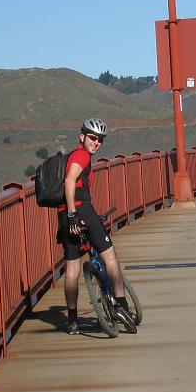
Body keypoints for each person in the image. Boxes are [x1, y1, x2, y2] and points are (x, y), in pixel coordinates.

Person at [58, 118, 134, 334]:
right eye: (92, 137)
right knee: (110, 257)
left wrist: (69, 216)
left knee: (72, 268)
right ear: (81, 136)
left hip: (64, 215)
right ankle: (121, 305)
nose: (96, 142)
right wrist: (75, 214)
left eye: (100, 140)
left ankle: (72, 321)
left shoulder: (72, 156)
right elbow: (70, 181)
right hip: (79, 210)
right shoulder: (81, 155)